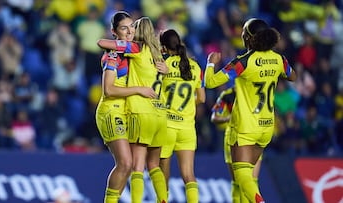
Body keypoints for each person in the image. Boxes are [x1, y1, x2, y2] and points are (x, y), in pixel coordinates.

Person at [205, 18, 296, 203]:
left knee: (241, 176)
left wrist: (210, 63)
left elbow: (210, 82)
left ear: (249, 37)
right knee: (250, 178)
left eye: (244, 32)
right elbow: (292, 76)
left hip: (246, 126)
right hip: (266, 127)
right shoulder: (279, 59)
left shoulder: (243, 62)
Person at [97, 16, 168, 203]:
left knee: (128, 166)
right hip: (111, 110)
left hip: (127, 112)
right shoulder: (112, 55)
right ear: (115, 32)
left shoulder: (136, 52)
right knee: (126, 163)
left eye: (131, 28)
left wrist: (165, 68)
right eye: (123, 29)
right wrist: (139, 90)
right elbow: (108, 89)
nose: (129, 32)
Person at [158, 29, 205, 203]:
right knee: (188, 174)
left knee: (163, 172)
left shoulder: (164, 65)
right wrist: (185, 107)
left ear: (164, 47)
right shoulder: (195, 66)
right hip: (187, 128)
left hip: (167, 126)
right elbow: (202, 98)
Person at [211, 86, 262, 203]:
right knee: (238, 180)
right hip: (233, 137)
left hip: (252, 135)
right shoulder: (227, 95)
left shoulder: (254, 92)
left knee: (252, 179)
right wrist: (228, 118)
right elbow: (214, 117)